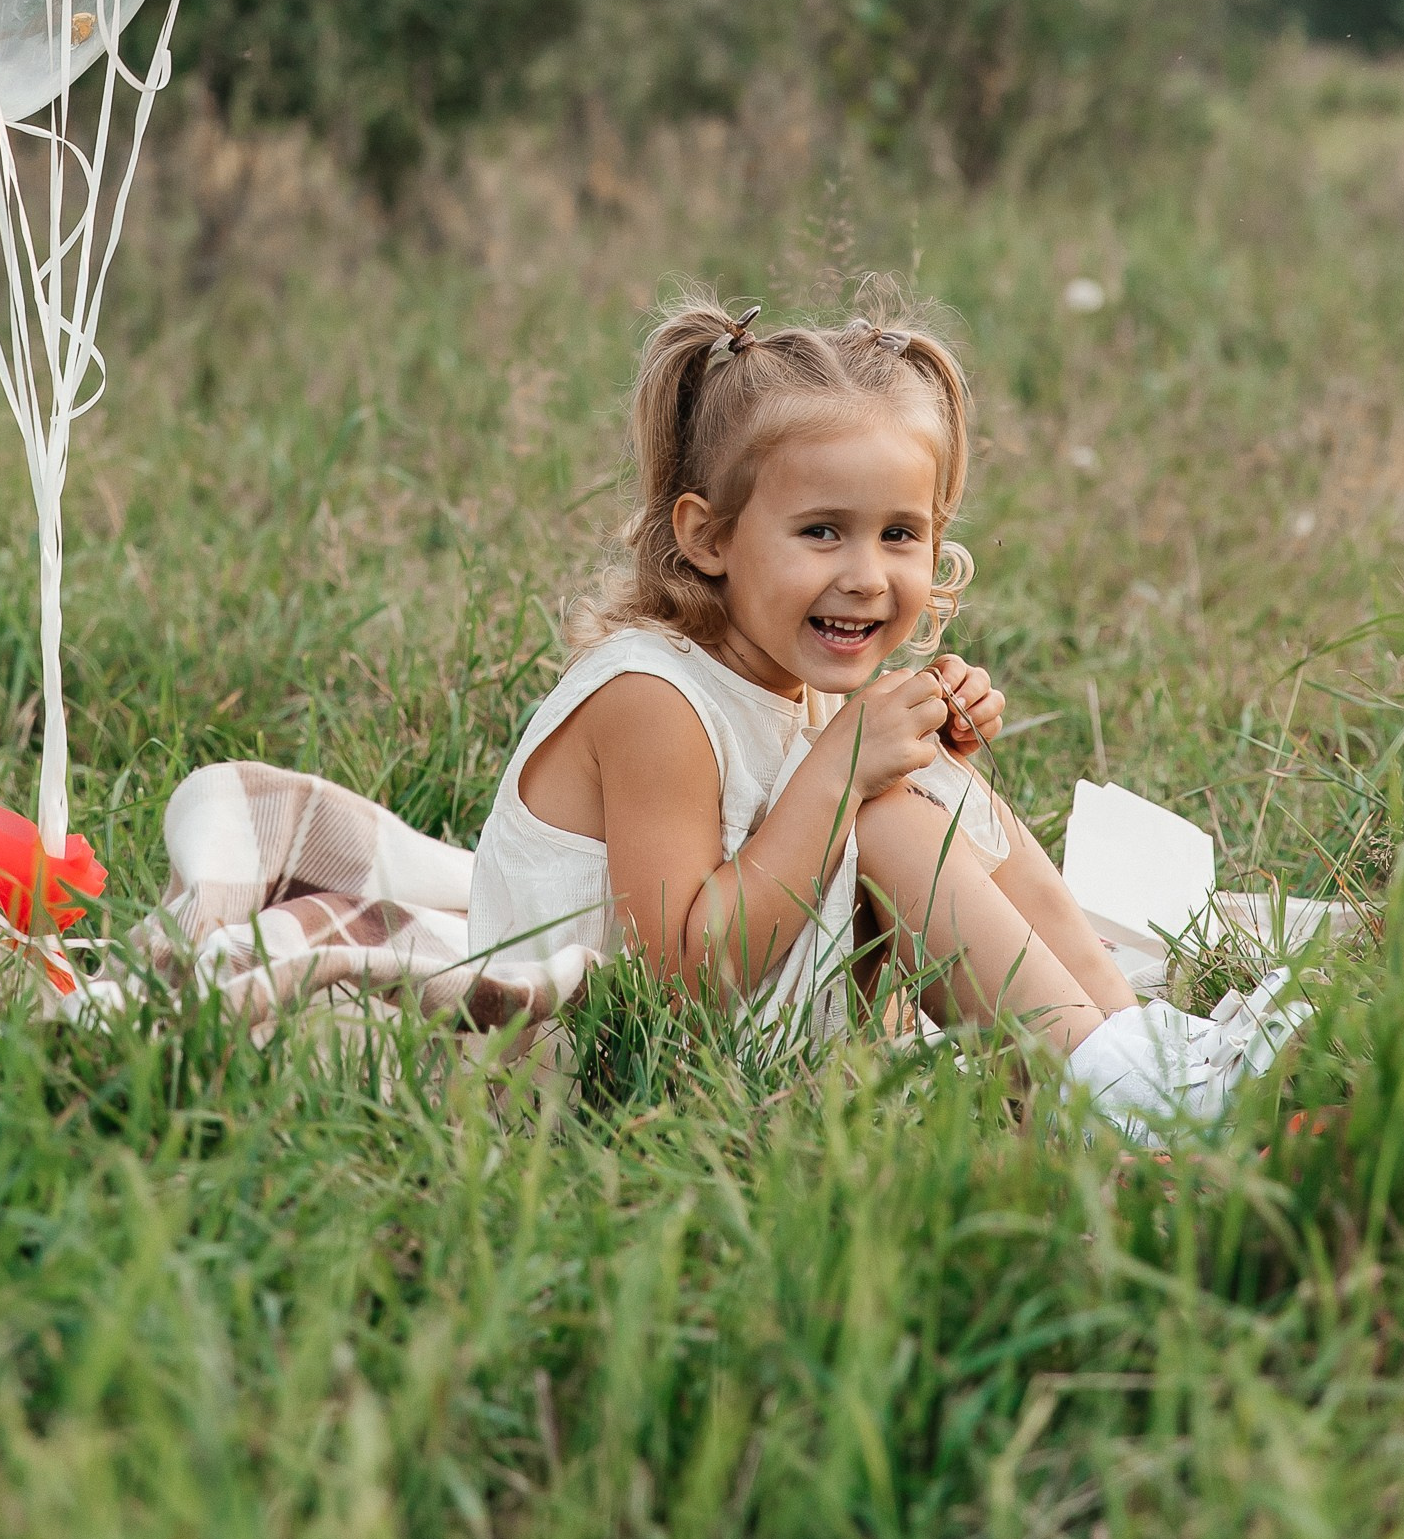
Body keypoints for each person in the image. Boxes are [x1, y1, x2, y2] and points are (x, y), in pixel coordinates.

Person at [466, 280, 1295, 1133]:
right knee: (887, 812)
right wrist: (844, 770)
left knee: (919, 792)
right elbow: (672, 986)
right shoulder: (651, 698)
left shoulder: (793, 673)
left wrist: (934, 756)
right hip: (601, 1084)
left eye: (898, 534)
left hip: (730, 1055)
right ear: (708, 538)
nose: (865, 576)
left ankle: (1135, 1049)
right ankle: (1109, 1094)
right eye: (821, 531)